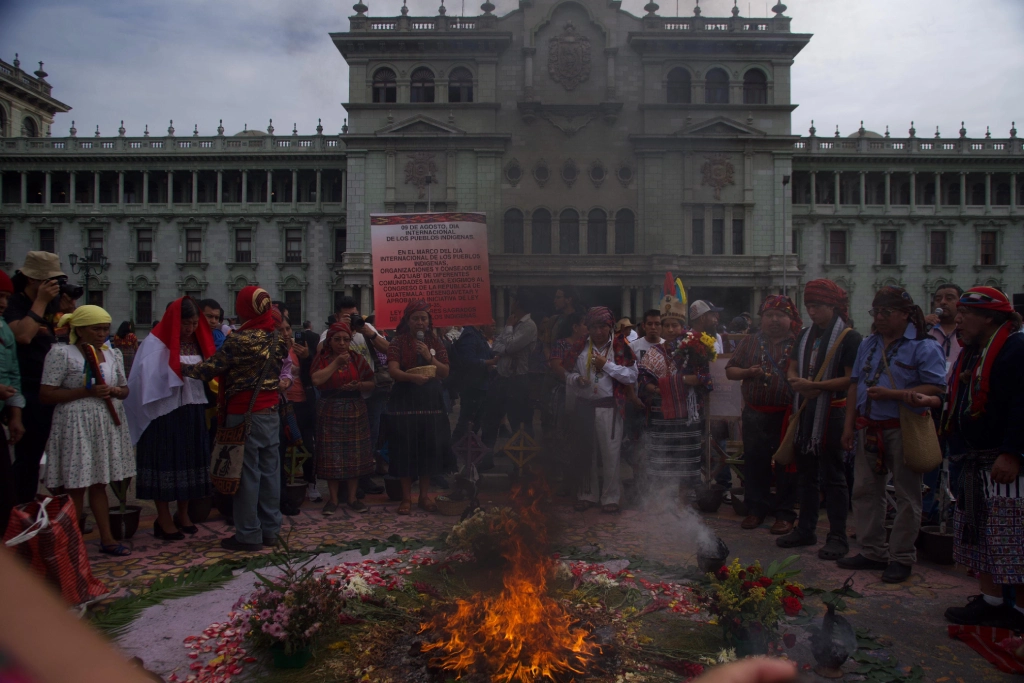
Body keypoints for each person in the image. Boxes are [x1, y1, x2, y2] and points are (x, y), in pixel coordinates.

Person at [838, 286, 946, 584]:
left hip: (903, 429)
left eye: (887, 312)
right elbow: (854, 385)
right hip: (867, 428)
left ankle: (901, 558)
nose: (880, 318)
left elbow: (936, 388)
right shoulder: (869, 343)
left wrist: (893, 394)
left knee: (907, 496)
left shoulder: (924, 346)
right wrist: (849, 426)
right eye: (877, 312)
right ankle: (872, 551)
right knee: (864, 491)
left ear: (906, 314)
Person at [934, 287, 1024, 629]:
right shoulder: (973, 351)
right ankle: (992, 601)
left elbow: (1022, 405)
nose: (958, 319)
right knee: (982, 533)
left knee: (1012, 537)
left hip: (1004, 464)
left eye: (966, 313)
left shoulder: (1015, 348)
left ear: (990, 317)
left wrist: (1013, 453)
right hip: (974, 462)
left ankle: (1020, 614)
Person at [182, 286, 288, 552]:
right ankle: (271, 530)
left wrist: (179, 365)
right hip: (271, 412)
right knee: (270, 474)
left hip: (244, 415)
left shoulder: (239, 340)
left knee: (247, 475)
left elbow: (209, 369)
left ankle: (249, 533)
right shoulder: (277, 339)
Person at [38, 305, 133, 556]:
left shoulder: (113, 354)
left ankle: (107, 538)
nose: (102, 333)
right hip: (75, 422)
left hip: (104, 420)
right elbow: (47, 393)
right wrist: (85, 392)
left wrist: (114, 392)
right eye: (96, 328)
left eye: (105, 329)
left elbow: (125, 389)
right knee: (76, 484)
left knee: (100, 482)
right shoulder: (61, 354)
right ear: (79, 329)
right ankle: (71, 543)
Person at [780, 279, 862, 560]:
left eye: (817, 306)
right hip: (805, 411)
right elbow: (791, 368)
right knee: (806, 476)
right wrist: (796, 382)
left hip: (834, 412)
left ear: (833, 306)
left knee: (835, 477)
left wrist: (816, 386)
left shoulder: (850, 337)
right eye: (809, 306)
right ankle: (806, 529)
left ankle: (838, 535)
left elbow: (852, 378)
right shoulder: (803, 336)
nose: (812, 312)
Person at [126, 297, 216, 542]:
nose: (190, 329)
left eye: (195, 323)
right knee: (165, 464)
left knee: (190, 462)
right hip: (163, 413)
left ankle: (183, 513)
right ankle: (163, 517)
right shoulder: (154, 345)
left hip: (192, 409)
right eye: (186, 324)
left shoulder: (199, 344)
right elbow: (144, 380)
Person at [5, 251, 77, 506]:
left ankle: (59, 512)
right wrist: (42, 302)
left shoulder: (53, 305)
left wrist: (68, 314)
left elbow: (66, 338)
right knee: (29, 455)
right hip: (28, 387)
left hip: (53, 386)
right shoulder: (14, 302)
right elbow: (22, 336)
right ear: (31, 280)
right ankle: (19, 511)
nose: (54, 287)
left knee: (60, 453)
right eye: (48, 281)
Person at [726, 295, 801, 535]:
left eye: (780, 315)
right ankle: (755, 510)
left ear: (790, 319)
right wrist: (748, 372)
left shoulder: (799, 343)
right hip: (755, 413)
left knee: (785, 464)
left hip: (786, 416)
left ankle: (785, 513)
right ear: (762, 318)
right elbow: (730, 371)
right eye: (769, 315)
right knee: (755, 462)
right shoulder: (749, 342)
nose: (774, 320)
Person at [563, 306, 638, 513]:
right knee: (585, 452)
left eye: (602, 327)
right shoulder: (580, 346)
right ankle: (586, 494)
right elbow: (566, 373)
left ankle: (610, 498)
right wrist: (576, 379)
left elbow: (632, 376)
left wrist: (606, 365)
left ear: (610, 326)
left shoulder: (620, 346)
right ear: (588, 327)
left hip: (609, 407)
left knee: (611, 454)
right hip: (584, 407)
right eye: (594, 327)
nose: (598, 332)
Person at [385, 300, 452, 515]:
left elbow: (445, 372)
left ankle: (424, 497)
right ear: (408, 320)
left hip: (430, 400)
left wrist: (429, 357)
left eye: (424, 318)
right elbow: (393, 371)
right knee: (405, 448)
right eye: (416, 318)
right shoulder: (398, 342)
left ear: (429, 321)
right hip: (405, 398)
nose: (420, 322)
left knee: (428, 447)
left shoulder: (435, 341)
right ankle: (407, 499)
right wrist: (412, 378)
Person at [639, 294, 712, 490]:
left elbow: (704, 378)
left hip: (688, 416)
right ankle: (662, 502)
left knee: (687, 462)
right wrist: (670, 386)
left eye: (676, 325)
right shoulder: (653, 353)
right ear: (661, 328)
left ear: (683, 327)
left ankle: (684, 504)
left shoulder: (696, 349)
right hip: (660, 415)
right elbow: (644, 380)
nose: (671, 330)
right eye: (667, 325)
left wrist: (668, 384)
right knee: (662, 461)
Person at [320, 296, 389, 498]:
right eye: (346, 316)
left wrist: (369, 333)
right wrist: (344, 331)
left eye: (354, 315)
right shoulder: (330, 333)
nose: (351, 319)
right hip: (344, 396)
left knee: (370, 438)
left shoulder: (366, 328)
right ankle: (346, 483)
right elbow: (320, 352)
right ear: (337, 316)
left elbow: (389, 349)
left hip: (370, 392)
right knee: (346, 441)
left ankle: (365, 478)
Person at [310, 322, 376, 515]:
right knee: (332, 455)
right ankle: (333, 499)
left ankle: (353, 498)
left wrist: (359, 385)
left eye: (346, 339)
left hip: (355, 409)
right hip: (329, 409)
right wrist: (336, 364)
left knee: (353, 455)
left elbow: (372, 382)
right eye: (337, 339)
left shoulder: (356, 358)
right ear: (329, 341)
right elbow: (316, 380)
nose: (341, 343)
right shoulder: (322, 358)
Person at [921, 283, 964, 524]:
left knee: (956, 460)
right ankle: (927, 510)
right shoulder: (926, 332)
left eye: (949, 298)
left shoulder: (966, 332)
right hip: (930, 405)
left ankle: (957, 513)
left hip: (958, 406)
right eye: (938, 298)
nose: (942, 302)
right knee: (929, 459)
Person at [481, 290, 538, 452]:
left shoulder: (528, 325)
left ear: (518, 304)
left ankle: (522, 463)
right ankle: (485, 458)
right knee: (491, 418)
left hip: (518, 379)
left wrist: (508, 328)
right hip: (501, 377)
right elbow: (497, 346)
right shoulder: (512, 322)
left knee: (520, 422)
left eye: (514, 301)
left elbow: (512, 346)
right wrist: (506, 342)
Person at [0, 271, 26, 527]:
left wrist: (15, 413)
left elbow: (13, 374)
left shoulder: (4, 331)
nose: (3, 303)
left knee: (6, 492)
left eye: (6, 297)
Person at [449, 323, 494, 443]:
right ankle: (456, 449)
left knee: (475, 422)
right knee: (467, 422)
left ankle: (466, 449)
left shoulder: (477, 334)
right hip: (472, 385)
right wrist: (489, 362)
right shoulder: (469, 335)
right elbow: (468, 361)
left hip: (480, 384)